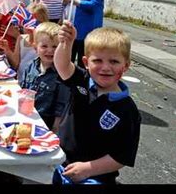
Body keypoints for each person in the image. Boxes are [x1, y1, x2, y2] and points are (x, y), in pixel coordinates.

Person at [53, 23, 141, 184]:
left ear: (126, 65)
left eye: (114, 61)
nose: (105, 67)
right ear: (86, 62)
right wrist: (66, 42)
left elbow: (121, 156)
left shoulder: (127, 109)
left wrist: (88, 168)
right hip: (58, 162)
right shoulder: (82, 80)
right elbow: (62, 65)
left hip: (95, 177)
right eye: (98, 60)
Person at [19, 22, 70, 133]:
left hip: (46, 123)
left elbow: (61, 104)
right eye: (44, 46)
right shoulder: (30, 66)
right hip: (27, 114)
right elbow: (23, 89)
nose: (50, 50)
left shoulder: (62, 74)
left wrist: (56, 127)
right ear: (35, 47)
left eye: (55, 47)